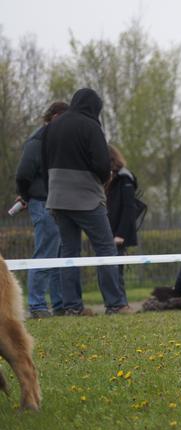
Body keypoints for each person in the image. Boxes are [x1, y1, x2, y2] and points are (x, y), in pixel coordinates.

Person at [42, 88, 130, 316]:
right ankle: (116, 303)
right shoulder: (91, 126)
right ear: (94, 108)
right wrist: (102, 181)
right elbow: (102, 163)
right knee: (105, 249)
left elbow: (44, 162)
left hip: (57, 198)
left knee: (69, 253)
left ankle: (72, 306)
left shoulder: (53, 127)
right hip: (86, 199)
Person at [14, 101, 69, 318]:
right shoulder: (38, 141)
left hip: (55, 202)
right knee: (45, 253)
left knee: (57, 255)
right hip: (42, 202)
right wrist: (26, 196)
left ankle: (59, 304)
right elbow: (23, 173)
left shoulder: (53, 140)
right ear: (55, 116)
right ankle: (37, 305)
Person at [105, 145, 138, 294]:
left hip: (117, 233)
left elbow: (129, 208)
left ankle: (119, 301)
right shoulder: (109, 178)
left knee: (116, 270)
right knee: (110, 269)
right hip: (109, 230)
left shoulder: (124, 178)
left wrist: (121, 234)